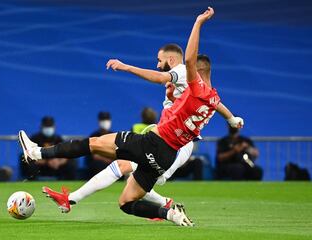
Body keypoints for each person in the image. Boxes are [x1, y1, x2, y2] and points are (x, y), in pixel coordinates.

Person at [19, 7, 243, 226]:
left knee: (94, 143)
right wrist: (232, 119)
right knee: (126, 201)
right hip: (168, 153)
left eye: (159, 59)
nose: (158, 62)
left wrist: (198, 23)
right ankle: (171, 213)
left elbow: (181, 64)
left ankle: (36, 153)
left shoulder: (191, 80)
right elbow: (218, 106)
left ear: (198, 71)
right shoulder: (212, 98)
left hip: (156, 142)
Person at [86, 112, 114, 177]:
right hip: (100, 162)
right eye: (103, 120)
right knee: (98, 164)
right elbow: (95, 156)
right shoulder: (94, 136)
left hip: (112, 161)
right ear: (99, 121)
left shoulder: (114, 135)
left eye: (107, 120)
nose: (105, 122)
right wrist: (107, 160)